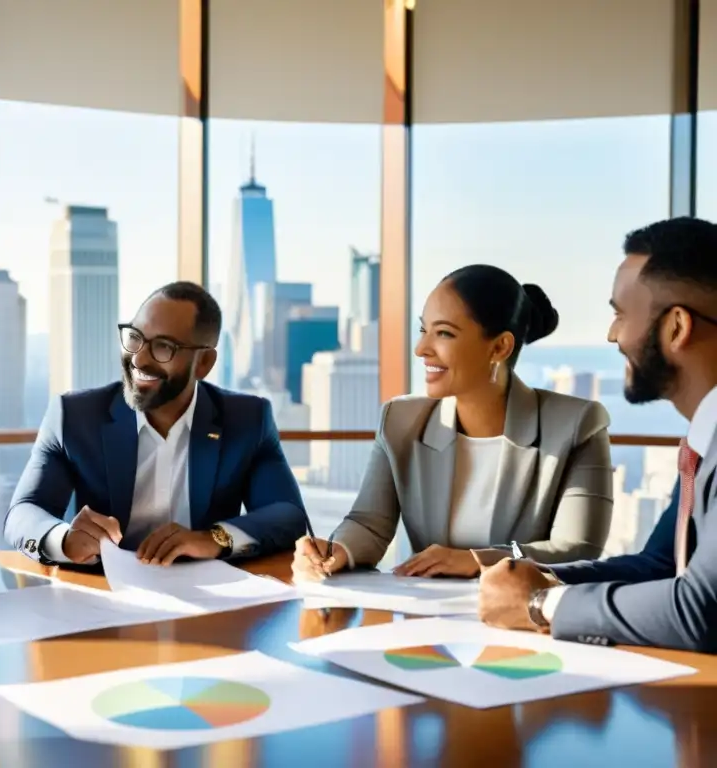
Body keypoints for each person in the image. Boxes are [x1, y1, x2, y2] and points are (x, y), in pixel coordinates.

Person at [477, 217, 717, 652]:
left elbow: (701, 611)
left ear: (676, 327)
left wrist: (541, 605)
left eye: (620, 315)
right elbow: (661, 565)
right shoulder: (705, 442)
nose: (611, 335)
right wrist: (540, 577)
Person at [293, 265, 614, 582]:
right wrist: (336, 550)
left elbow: (575, 548)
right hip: (430, 616)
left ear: (499, 347)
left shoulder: (575, 424)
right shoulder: (400, 421)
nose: (421, 349)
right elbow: (369, 524)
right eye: (424, 330)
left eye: (444, 333)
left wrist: (478, 560)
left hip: (525, 617)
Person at [5, 281, 307, 566]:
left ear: (203, 363)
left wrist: (212, 539)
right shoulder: (75, 416)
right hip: (101, 591)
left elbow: (287, 515)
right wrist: (65, 539)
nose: (138, 360)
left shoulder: (246, 419)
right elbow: (24, 512)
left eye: (163, 347)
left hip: (206, 599)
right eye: (135, 338)